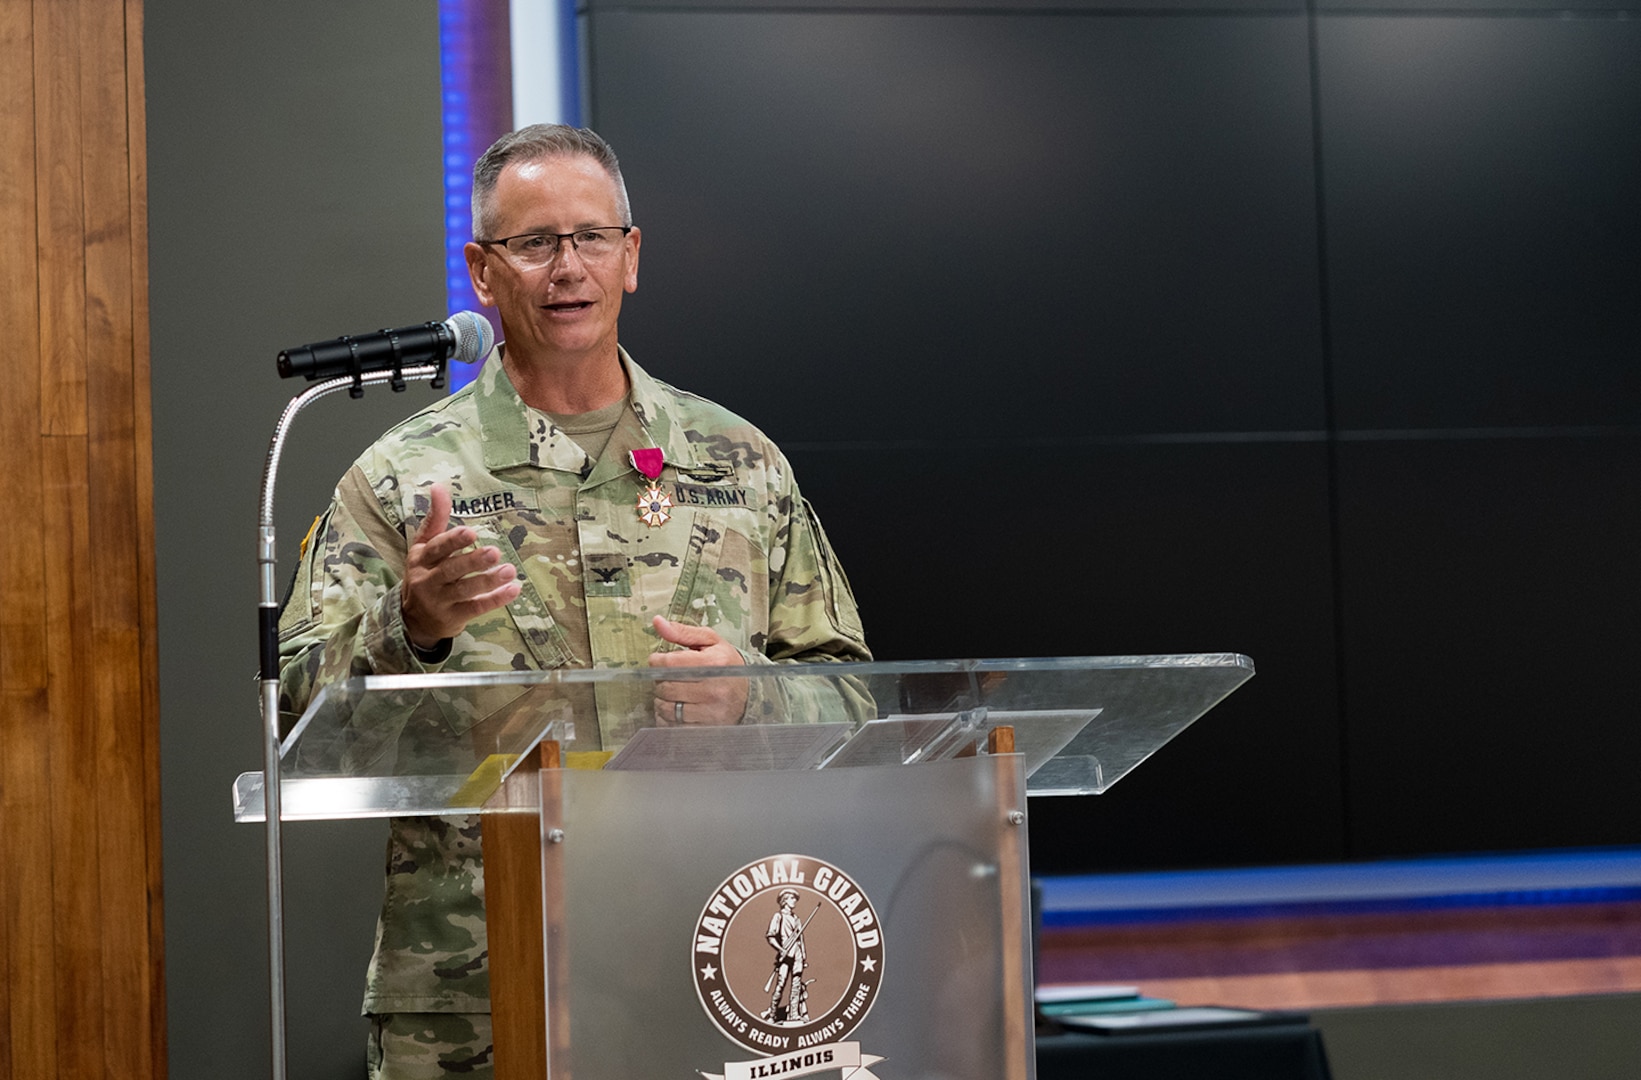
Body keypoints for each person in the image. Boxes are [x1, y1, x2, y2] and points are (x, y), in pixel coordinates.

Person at [276, 124, 871, 1080]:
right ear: (482, 270)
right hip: (475, 992)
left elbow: (851, 697)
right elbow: (298, 724)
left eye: (592, 238)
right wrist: (410, 627)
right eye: (534, 243)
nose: (567, 268)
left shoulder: (741, 462)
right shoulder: (399, 478)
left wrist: (750, 697)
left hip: (709, 960)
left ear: (630, 258)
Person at [764, 888, 810, 1024]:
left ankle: (794, 1015)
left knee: (796, 986)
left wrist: (803, 956)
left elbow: (800, 938)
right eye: (791, 898)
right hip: (786, 954)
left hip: (797, 955)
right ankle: (772, 1014)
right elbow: (771, 936)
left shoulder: (797, 919)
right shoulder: (778, 916)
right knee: (781, 984)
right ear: (784, 900)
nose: (794, 901)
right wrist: (780, 949)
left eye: (794, 898)